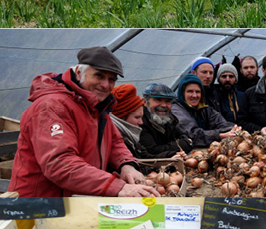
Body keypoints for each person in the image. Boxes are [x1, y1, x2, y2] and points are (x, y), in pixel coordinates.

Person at [9, 46, 159, 197]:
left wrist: (126, 165)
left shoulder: (96, 107)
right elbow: (60, 163)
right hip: (39, 205)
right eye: (99, 76)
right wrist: (117, 187)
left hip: (74, 200)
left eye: (111, 79)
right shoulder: (51, 106)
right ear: (79, 73)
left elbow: (114, 142)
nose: (106, 85)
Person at [172, 74, 236, 148]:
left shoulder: (203, 109)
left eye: (198, 92)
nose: (194, 95)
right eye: (190, 91)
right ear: (182, 93)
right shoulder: (177, 110)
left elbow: (222, 123)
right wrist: (219, 135)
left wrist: (234, 129)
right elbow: (193, 134)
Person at [139, 83, 193, 158]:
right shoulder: (140, 121)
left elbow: (186, 137)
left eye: (168, 101)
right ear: (145, 102)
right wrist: (180, 145)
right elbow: (151, 151)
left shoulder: (170, 119)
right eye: (158, 100)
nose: (164, 105)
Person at [111, 84, 147, 158]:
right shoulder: (114, 140)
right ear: (121, 117)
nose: (141, 122)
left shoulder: (131, 139)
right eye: (137, 117)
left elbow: (146, 157)